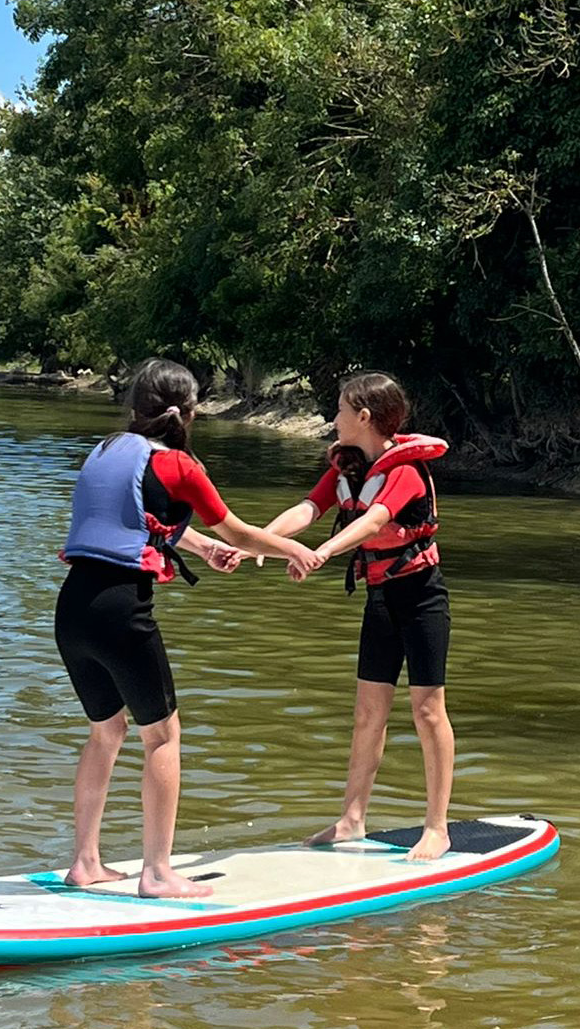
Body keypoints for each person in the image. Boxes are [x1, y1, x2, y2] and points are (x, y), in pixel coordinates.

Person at [56, 357, 325, 898]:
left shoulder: (103, 450)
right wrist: (294, 546)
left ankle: (85, 863)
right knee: (163, 735)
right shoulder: (181, 466)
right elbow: (239, 530)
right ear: (191, 412)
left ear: (135, 407)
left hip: (72, 611)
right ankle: (157, 873)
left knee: (106, 731)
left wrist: (202, 548)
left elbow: (132, 524)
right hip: (120, 611)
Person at [258, 372, 455, 862]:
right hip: (380, 597)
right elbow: (308, 508)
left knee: (427, 712)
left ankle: (438, 827)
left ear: (364, 417)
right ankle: (352, 819)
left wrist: (319, 554)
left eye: (341, 409)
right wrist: (261, 541)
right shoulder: (347, 468)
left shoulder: (404, 471)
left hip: (422, 597)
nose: (334, 417)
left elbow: (374, 521)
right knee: (368, 713)